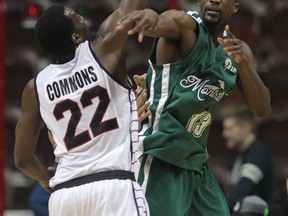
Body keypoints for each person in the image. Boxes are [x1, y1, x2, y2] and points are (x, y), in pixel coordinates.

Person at [117, 0, 271, 215]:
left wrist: (243, 64)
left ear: (235, 6)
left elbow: (262, 108)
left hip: (196, 162)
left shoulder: (237, 49)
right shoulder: (185, 25)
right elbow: (162, 21)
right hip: (161, 153)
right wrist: (150, 19)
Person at [14, 1, 150, 216]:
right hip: (113, 186)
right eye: (74, 15)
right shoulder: (104, 49)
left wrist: (44, 177)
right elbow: (130, 7)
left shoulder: (35, 88)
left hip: (65, 197)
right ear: (75, 37)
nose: (80, 15)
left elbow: (22, 159)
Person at [221, 104, 275, 213]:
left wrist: (219, 211)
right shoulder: (241, 154)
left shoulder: (258, 152)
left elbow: (243, 188)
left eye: (229, 129)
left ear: (245, 128)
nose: (224, 134)